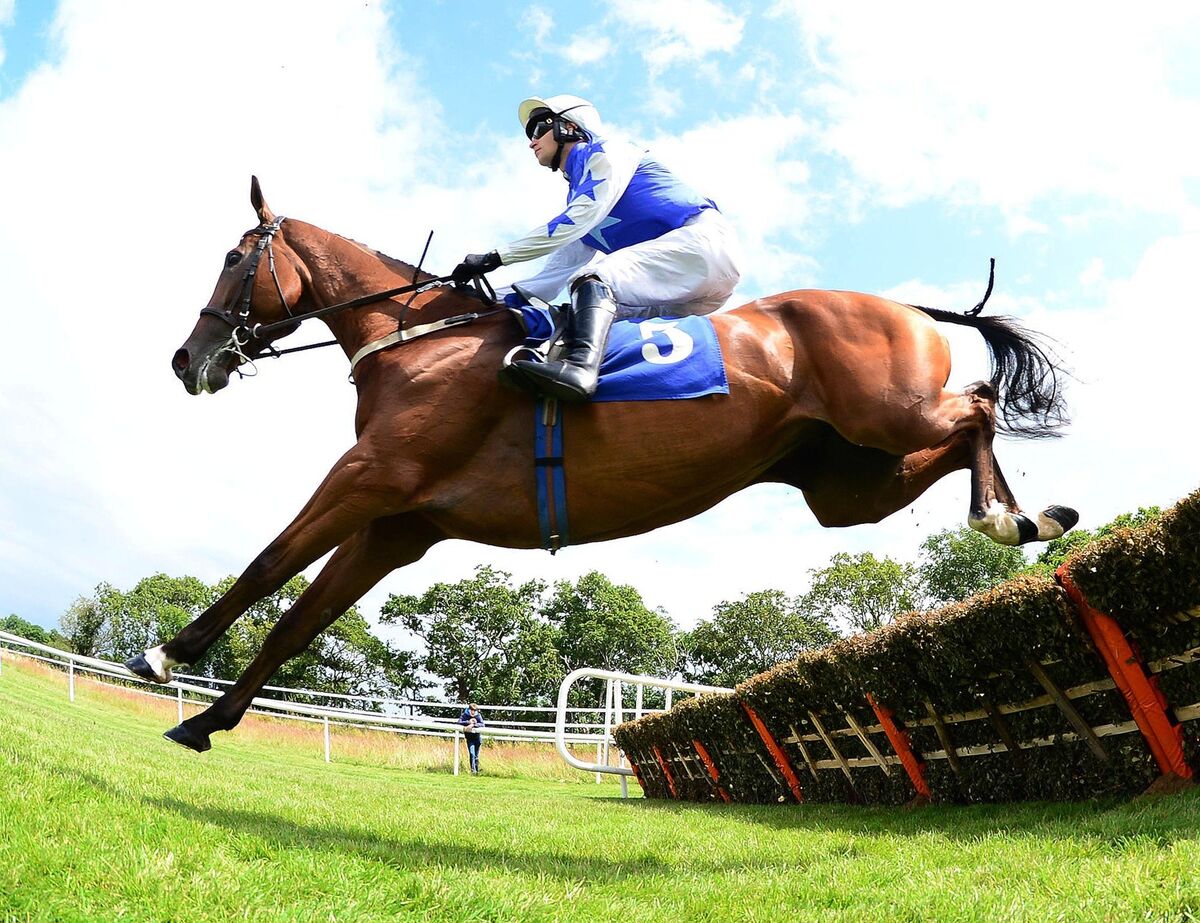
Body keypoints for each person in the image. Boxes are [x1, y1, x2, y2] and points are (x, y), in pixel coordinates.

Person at [452, 94, 741, 402]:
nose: (531, 142)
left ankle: (578, 371)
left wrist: (496, 257)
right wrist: (475, 298)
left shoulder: (608, 152)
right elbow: (547, 281)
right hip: (686, 285)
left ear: (568, 127)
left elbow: (580, 217)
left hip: (702, 246)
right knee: (575, 317)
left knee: (592, 279)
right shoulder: (577, 197)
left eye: (538, 129)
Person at [458, 703, 485, 774]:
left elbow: (482, 724)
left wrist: (474, 724)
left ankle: (477, 770)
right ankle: (473, 770)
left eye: (474, 710)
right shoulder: (464, 715)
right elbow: (459, 722)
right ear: (469, 710)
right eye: (472, 710)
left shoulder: (478, 715)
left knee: (476, 755)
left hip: (477, 738)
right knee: (472, 754)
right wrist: (468, 722)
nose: (473, 712)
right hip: (470, 739)